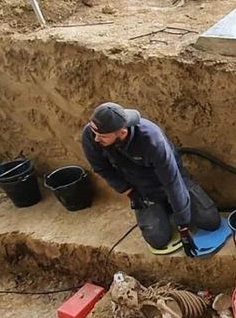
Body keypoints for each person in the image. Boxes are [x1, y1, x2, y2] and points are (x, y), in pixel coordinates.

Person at [81, 102, 220, 254]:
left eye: (103, 136)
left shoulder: (151, 140)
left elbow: (172, 183)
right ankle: (163, 209)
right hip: (143, 190)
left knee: (210, 221)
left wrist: (183, 226)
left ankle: (172, 209)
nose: (96, 139)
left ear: (122, 132)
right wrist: (129, 192)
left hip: (172, 181)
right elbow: (101, 168)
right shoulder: (91, 135)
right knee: (157, 239)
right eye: (95, 134)